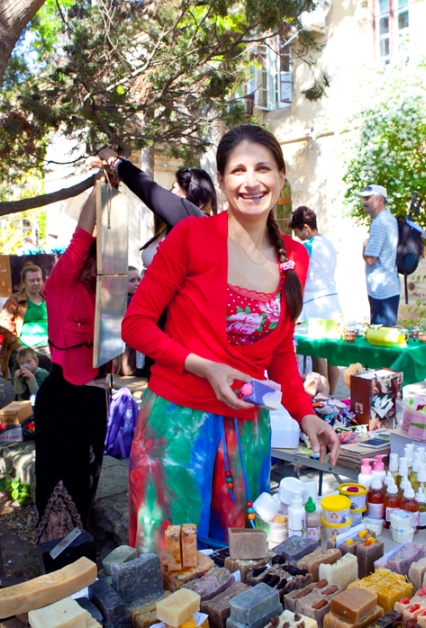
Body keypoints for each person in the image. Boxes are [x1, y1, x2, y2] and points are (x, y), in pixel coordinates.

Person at [122, 124, 340, 556]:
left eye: (262, 168)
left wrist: (306, 415)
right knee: (170, 560)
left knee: (235, 563)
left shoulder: (293, 256)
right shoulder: (191, 236)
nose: (251, 181)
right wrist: (202, 366)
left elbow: (279, 350)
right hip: (177, 428)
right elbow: (137, 324)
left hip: (247, 432)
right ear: (222, 182)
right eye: (237, 171)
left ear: (279, 177)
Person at [33, 176, 108, 543]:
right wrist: (98, 190)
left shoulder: (105, 297)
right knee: (59, 487)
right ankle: (58, 566)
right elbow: (82, 235)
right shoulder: (63, 283)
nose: (95, 270)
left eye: (100, 263)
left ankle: (80, 567)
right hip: (62, 400)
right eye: (91, 262)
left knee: (87, 482)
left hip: (94, 401)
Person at [89, 149, 217, 267]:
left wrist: (114, 160)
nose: (168, 192)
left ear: (190, 192)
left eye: (173, 187)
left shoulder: (196, 220)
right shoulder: (174, 227)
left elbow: (148, 188)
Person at [289, 206, 342, 395]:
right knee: (333, 355)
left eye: (298, 232)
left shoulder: (308, 247)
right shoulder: (328, 244)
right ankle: (333, 394)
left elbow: (299, 275)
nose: (297, 237)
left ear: (306, 227)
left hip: (314, 305)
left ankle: (322, 398)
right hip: (332, 303)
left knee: (318, 355)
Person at [0, 263, 52, 381]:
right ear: (24, 282)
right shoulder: (15, 300)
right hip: (25, 347)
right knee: (32, 364)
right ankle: (29, 396)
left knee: (62, 362)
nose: (36, 283)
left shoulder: (48, 298)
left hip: (48, 345)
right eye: (32, 280)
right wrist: (19, 347)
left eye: (38, 279)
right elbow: (4, 325)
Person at [359, 184, 400, 326]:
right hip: (390, 288)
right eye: (363, 198)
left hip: (380, 290)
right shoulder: (390, 218)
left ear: (380, 200)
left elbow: (370, 259)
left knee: (381, 339)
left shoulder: (379, 223)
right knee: (387, 336)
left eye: (368, 198)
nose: (364, 202)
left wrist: (364, 245)